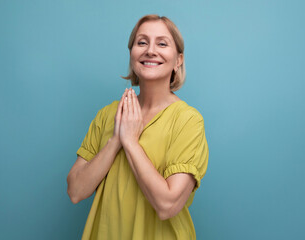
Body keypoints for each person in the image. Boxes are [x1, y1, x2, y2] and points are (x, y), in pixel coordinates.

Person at [67, 14, 209, 240]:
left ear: (178, 60)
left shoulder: (188, 121)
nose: (150, 50)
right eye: (142, 42)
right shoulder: (108, 115)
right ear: (132, 53)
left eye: (162, 43)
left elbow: (167, 205)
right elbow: (75, 191)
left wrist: (131, 142)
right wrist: (116, 140)